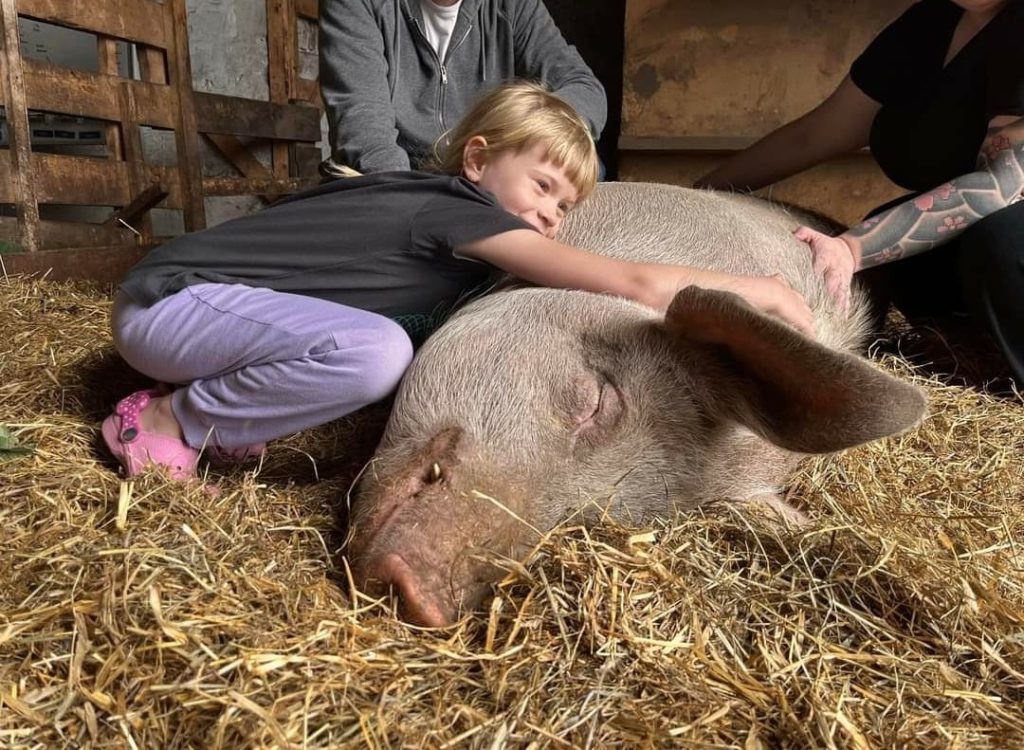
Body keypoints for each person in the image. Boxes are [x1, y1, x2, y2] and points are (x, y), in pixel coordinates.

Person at [101, 82, 812, 481]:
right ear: (477, 160)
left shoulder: (443, 216)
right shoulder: (457, 213)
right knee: (376, 354)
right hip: (168, 309)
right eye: (542, 185)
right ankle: (167, 420)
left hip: (194, 311)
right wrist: (760, 289)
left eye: (566, 206)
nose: (551, 214)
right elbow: (628, 280)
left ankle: (217, 411)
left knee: (371, 345)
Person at [694, 0, 1024, 382]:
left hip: (1008, 223)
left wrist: (851, 248)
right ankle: (979, 352)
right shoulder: (930, 21)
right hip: (984, 232)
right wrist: (701, 192)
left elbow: (999, 186)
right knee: (896, 247)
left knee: (997, 239)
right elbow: (814, 135)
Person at [318, 0, 607, 175]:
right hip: (398, 176)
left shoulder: (515, 6)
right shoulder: (357, 4)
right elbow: (365, 130)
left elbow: (585, 89)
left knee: (584, 166)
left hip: (483, 170)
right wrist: (411, 204)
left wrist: (516, 135)